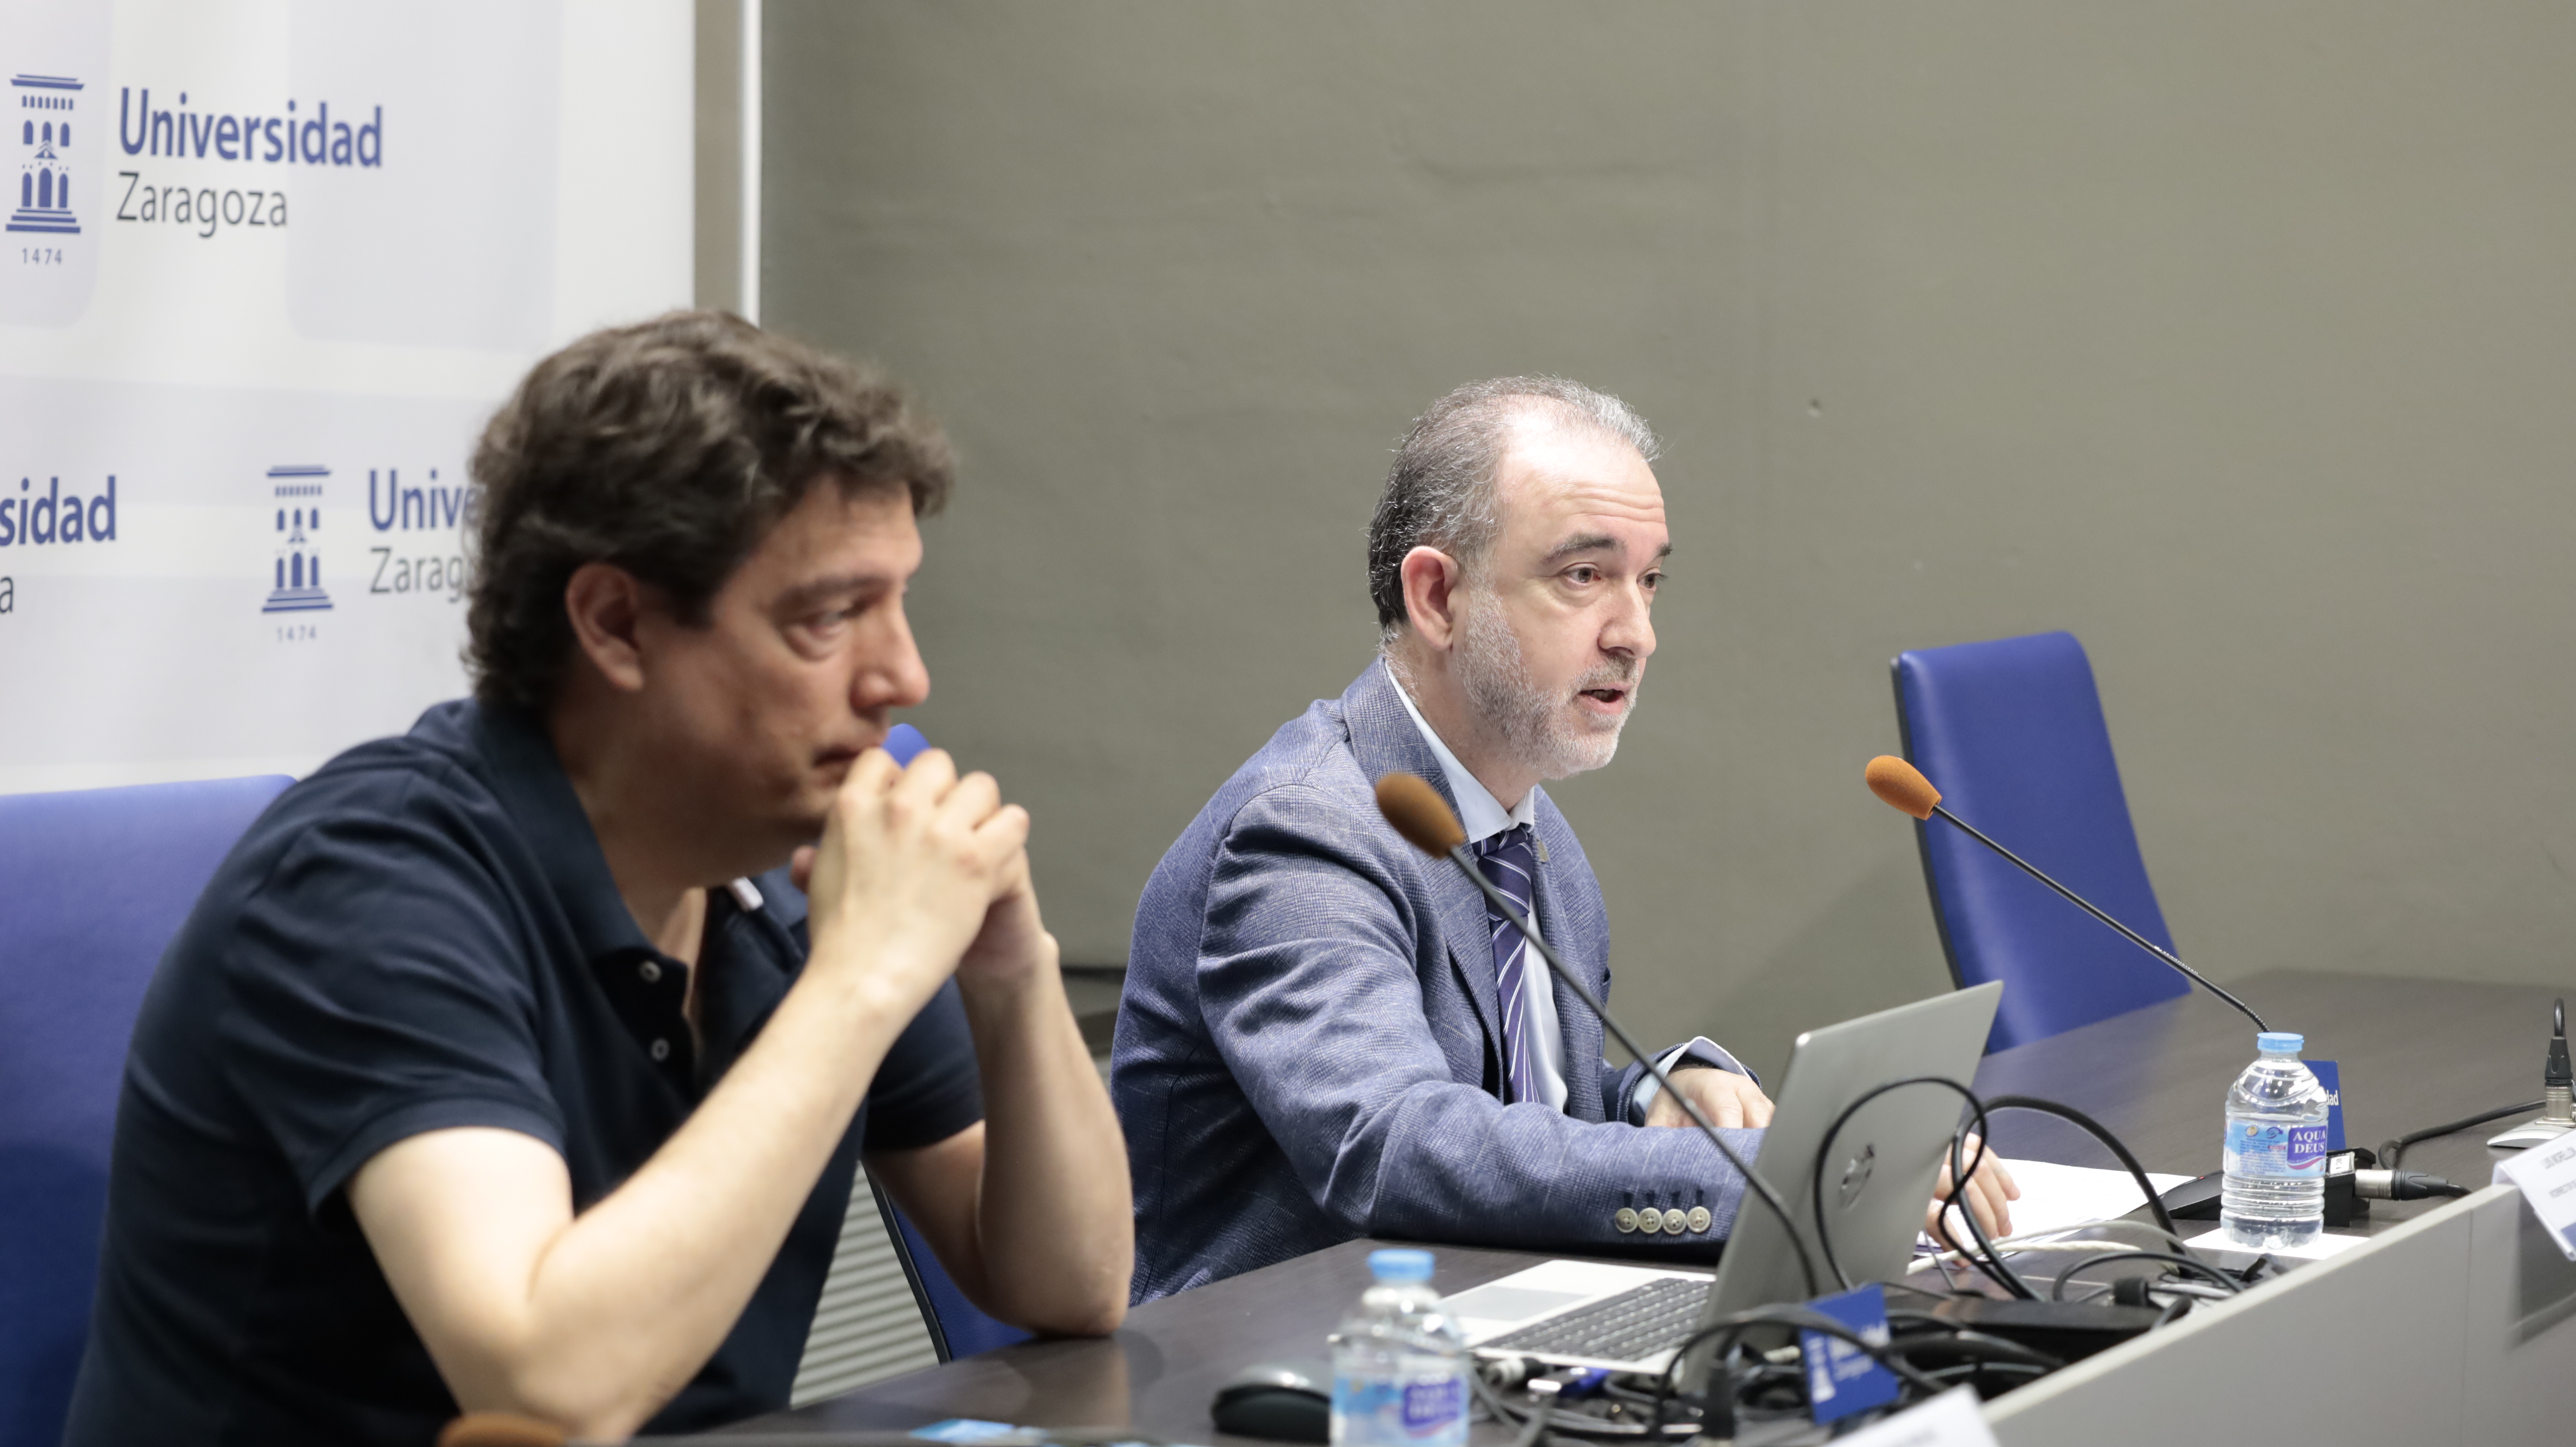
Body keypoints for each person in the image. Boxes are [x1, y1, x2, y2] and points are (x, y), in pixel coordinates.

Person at [63, 313, 1131, 1446]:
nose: (903, 677)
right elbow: (542, 1389)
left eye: (899, 602)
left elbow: (1072, 1285)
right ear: (617, 624)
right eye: (828, 618)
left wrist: (1010, 973)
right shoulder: (369, 882)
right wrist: (862, 983)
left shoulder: (792, 865)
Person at [1111, 377, 2015, 1301]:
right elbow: (1395, 1145)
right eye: (1584, 576)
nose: (1638, 635)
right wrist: (1780, 1175)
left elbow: (1513, 1107)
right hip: (1286, 1357)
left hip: (1490, 1318)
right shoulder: (1305, 835)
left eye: (1649, 580)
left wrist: (1656, 1093)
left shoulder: (1526, 830)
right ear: (1437, 597)